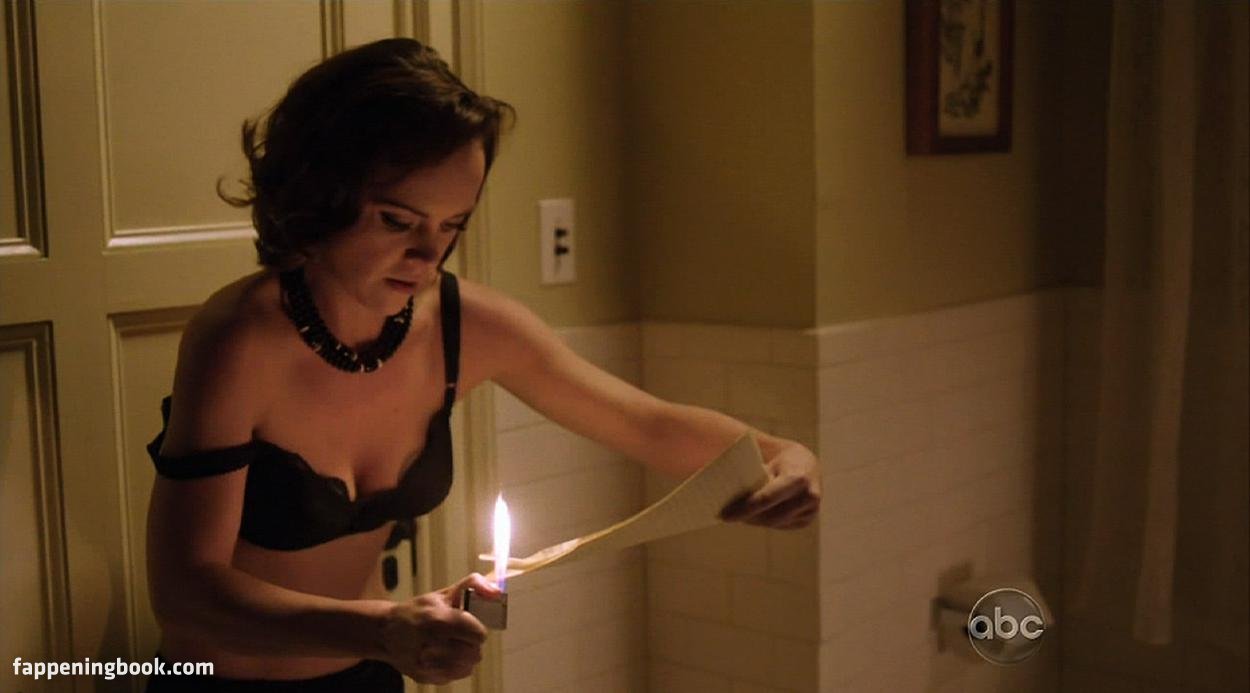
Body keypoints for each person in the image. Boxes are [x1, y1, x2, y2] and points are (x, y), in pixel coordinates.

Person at [144, 37, 820, 692]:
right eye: (395, 220)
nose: (426, 255)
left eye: (451, 226)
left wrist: (780, 455)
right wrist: (381, 629)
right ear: (319, 193)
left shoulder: (464, 324)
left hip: (369, 678)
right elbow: (184, 593)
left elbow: (645, 425)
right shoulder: (241, 339)